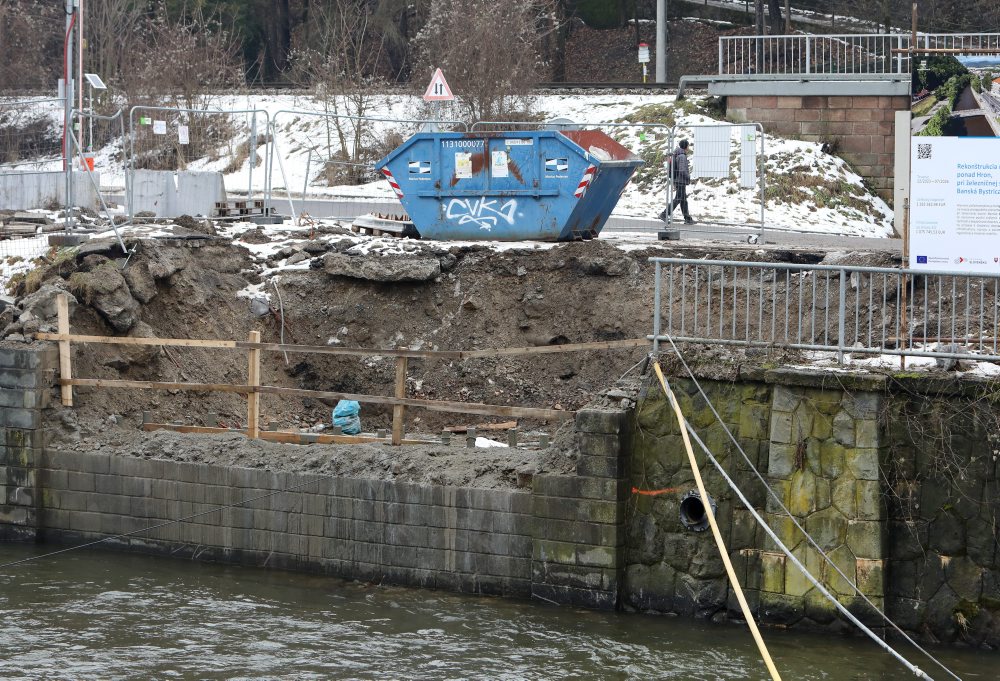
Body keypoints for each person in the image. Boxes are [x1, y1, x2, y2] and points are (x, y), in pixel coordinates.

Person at [658, 139, 694, 225]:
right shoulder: (682, 156)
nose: (689, 147)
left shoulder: (677, 154)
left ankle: (687, 218)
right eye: (688, 146)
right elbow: (682, 170)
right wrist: (688, 177)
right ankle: (664, 214)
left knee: (683, 200)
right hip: (680, 180)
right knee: (678, 199)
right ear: (685, 146)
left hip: (677, 180)